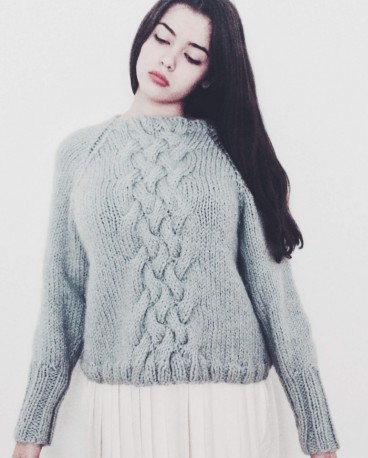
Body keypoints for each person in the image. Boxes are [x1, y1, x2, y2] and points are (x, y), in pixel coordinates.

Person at [12, 1, 341, 457]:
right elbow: (62, 300)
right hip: (121, 404)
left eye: (192, 56)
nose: (167, 60)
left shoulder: (233, 154)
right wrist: (31, 429)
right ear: (144, 36)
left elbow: (278, 303)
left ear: (209, 75)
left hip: (227, 404)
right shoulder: (80, 154)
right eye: (162, 38)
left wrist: (319, 435)